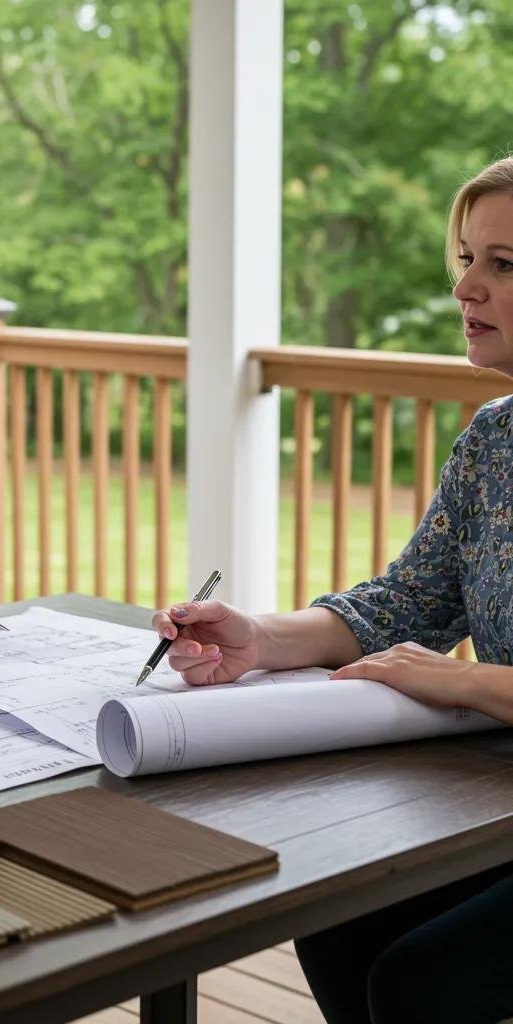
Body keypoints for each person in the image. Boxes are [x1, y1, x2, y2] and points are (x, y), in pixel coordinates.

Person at [151, 156, 513, 1024]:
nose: (468, 286)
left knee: (420, 980)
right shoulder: (494, 441)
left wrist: (462, 680)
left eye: (504, 264)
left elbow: (437, 657)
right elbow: (403, 603)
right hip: (498, 800)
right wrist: (259, 640)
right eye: (466, 257)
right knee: (334, 914)